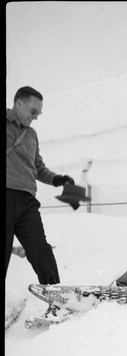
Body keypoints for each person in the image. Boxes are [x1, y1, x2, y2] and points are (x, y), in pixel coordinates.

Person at [6, 86, 75, 284]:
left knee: (40, 250)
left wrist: (58, 179)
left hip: (27, 201)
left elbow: (38, 166)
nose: (36, 117)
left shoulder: (31, 135)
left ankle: (56, 298)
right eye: (33, 111)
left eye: (39, 113)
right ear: (19, 103)